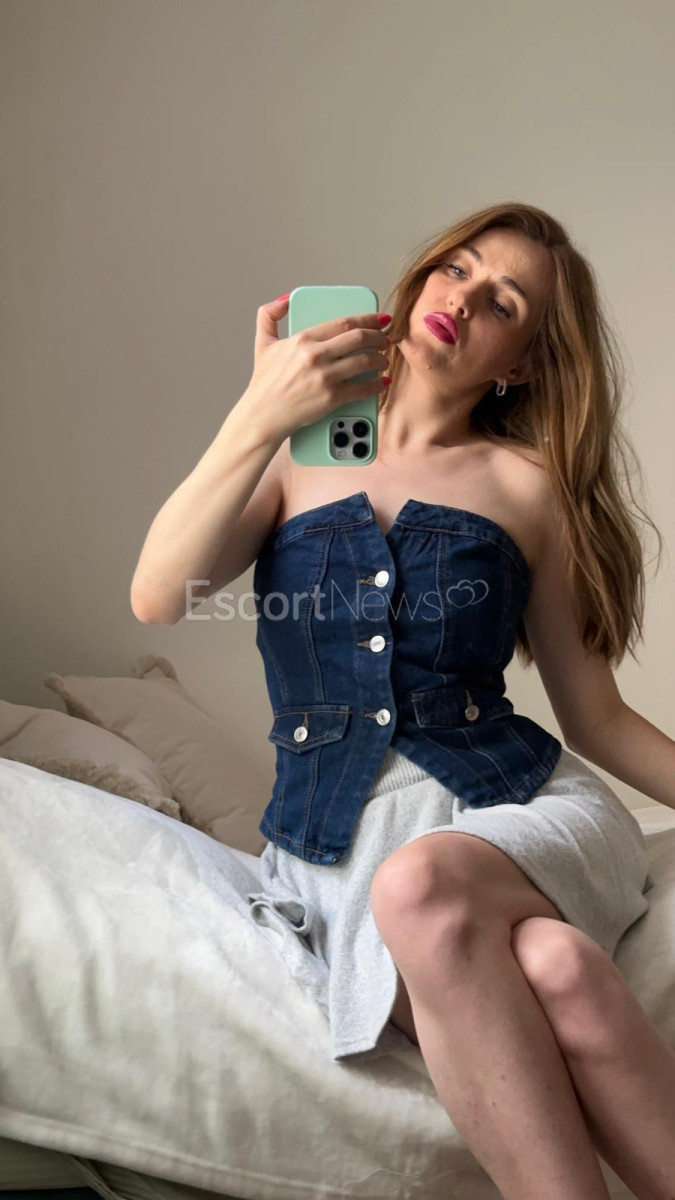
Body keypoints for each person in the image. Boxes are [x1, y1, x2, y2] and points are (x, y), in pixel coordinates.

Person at [130, 201, 675, 1200]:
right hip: (340, 845)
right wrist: (259, 411)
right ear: (422, 278)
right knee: (556, 968)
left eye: (502, 301)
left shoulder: (528, 486)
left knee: (420, 886)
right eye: (457, 269)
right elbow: (159, 595)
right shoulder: (291, 458)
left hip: (519, 806)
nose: (463, 298)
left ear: (522, 364)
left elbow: (596, 720)